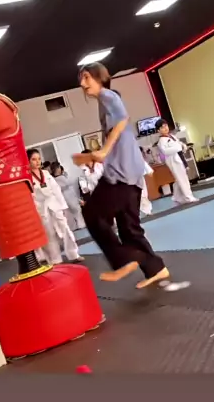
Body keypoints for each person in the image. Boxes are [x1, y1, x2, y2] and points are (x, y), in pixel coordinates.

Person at [72, 63, 169, 288]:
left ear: (99, 77)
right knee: (129, 228)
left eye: (86, 78)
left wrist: (103, 152)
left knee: (92, 213)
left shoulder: (108, 96)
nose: (82, 84)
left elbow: (123, 119)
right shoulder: (104, 101)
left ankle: (123, 260)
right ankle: (156, 268)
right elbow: (118, 134)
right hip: (129, 172)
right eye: (81, 79)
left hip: (121, 174)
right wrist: (96, 156)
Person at [27, 149, 83, 265]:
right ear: (28, 161)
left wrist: (62, 206)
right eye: (34, 159)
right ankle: (55, 259)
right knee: (49, 234)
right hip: (41, 208)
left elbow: (56, 190)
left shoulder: (46, 174)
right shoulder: (27, 178)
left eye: (39, 159)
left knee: (65, 229)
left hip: (54, 205)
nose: (37, 162)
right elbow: (29, 197)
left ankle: (73, 254)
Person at [155, 119, 198, 205]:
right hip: (173, 161)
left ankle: (176, 196)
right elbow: (165, 151)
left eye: (166, 126)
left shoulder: (171, 136)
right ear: (158, 130)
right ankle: (189, 197)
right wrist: (178, 147)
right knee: (182, 179)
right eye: (162, 127)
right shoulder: (161, 141)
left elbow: (179, 143)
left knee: (180, 179)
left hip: (180, 158)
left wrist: (183, 146)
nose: (165, 128)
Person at [50, 162, 85, 230]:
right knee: (77, 211)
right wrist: (65, 175)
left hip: (64, 198)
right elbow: (69, 182)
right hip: (69, 197)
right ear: (58, 168)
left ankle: (74, 227)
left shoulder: (53, 179)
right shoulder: (62, 178)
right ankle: (81, 225)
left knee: (70, 214)